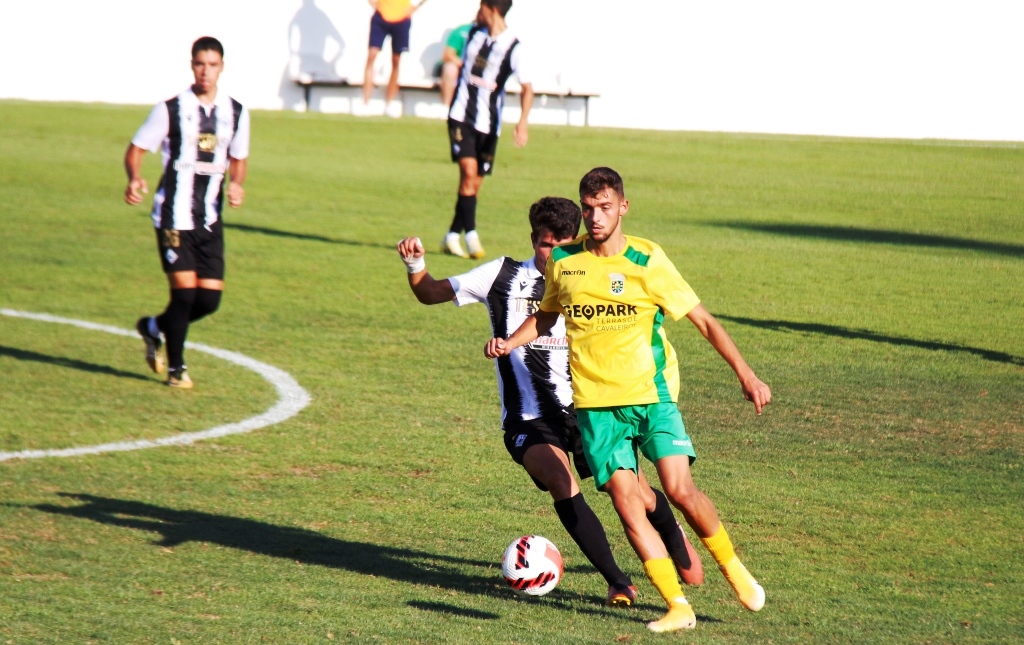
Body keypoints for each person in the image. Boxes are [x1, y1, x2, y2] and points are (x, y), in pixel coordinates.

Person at [485, 168, 772, 632]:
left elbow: (704, 321)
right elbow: (546, 317)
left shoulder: (647, 259)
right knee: (625, 501)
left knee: (678, 490)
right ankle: (677, 606)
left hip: (651, 395)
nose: (595, 217)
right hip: (596, 406)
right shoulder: (564, 260)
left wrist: (747, 374)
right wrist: (509, 342)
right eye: (588, 207)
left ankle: (733, 568)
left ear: (622, 207)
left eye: (604, 207)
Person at [397, 197, 703, 607]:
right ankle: (618, 581)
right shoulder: (501, 275)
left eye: (562, 242)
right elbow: (431, 293)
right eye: (545, 244)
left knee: (634, 492)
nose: (553, 251)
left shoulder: (589, 275)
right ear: (533, 240)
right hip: (528, 419)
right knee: (562, 481)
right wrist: (416, 266)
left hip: (589, 408)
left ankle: (671, 530)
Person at [124, 36, 250, 389]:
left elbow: (238, 160)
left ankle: (152, 328)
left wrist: (237, 183)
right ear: (191, 65)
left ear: (222, 66)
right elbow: (136, 149)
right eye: (199, 63)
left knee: (208, 300)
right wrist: (135, 178)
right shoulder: (170, 109)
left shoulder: (236, 112)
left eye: (212, 64)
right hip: (172, 218)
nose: (205, 71)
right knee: (184, 295)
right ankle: (176, 369)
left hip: (209, 220)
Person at [441, 0, 533, 260]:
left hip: (490, 126)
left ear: (491, 9)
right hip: (460, 116)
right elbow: (450, 55)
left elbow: (528, 88)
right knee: (468, 173)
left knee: (474, 185)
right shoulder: (471, 33)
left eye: (480, 7)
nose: (476, 12)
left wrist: (523, 122)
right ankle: (471, 236)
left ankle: (451, 235)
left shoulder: (514, 47)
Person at [356, 0, 429, 118]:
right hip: (381, 16)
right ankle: (365, 102)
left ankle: (389, 103)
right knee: (371, 56)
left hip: (402, 19)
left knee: (396, 60)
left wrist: (416, 6)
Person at [435, 16, 478, 107]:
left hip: (476, 69)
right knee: (450, 69)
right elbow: (448, 55)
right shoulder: (462, 31)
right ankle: (447, 107)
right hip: (458, 67)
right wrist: (465, 64)